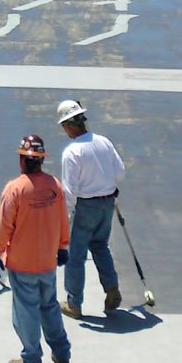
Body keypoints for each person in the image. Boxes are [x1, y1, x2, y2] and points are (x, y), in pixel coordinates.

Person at [0, 134, 72, 363]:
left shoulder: (15, 189)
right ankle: (62, 354)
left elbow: (4, 226)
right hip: (47, 262)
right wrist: (62, 247)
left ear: (22, 160)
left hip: (22, 264)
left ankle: (32, 361)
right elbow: (63, 219)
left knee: (26, 312)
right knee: (50, 306)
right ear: (41, 160)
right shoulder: (54, 186)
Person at [56, 99, 126, 318]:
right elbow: (120, 173)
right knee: (100, 246)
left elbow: (69, 191)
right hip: (107, 203)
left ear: (68, 125)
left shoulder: (72, 152)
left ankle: (74, 304)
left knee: (75, 257)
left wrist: (65, 218)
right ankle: (112, 288)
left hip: (86, 206)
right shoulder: (104, 142)